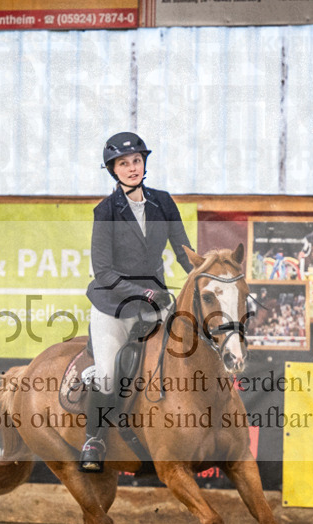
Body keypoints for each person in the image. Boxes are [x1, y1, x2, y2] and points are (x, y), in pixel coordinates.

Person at [79, 132, 195, 473]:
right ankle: (94, 438)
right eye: (124, 163)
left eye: (137, 161)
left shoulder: (164, 202)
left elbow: (183, 251)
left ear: (145, 164)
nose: (132, 168)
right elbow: (102, 272)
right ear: (114, 170)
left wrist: (210, 274)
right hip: (113, 306)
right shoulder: (105, 211)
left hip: (155, 304)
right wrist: (143, 293)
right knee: (108, 373)